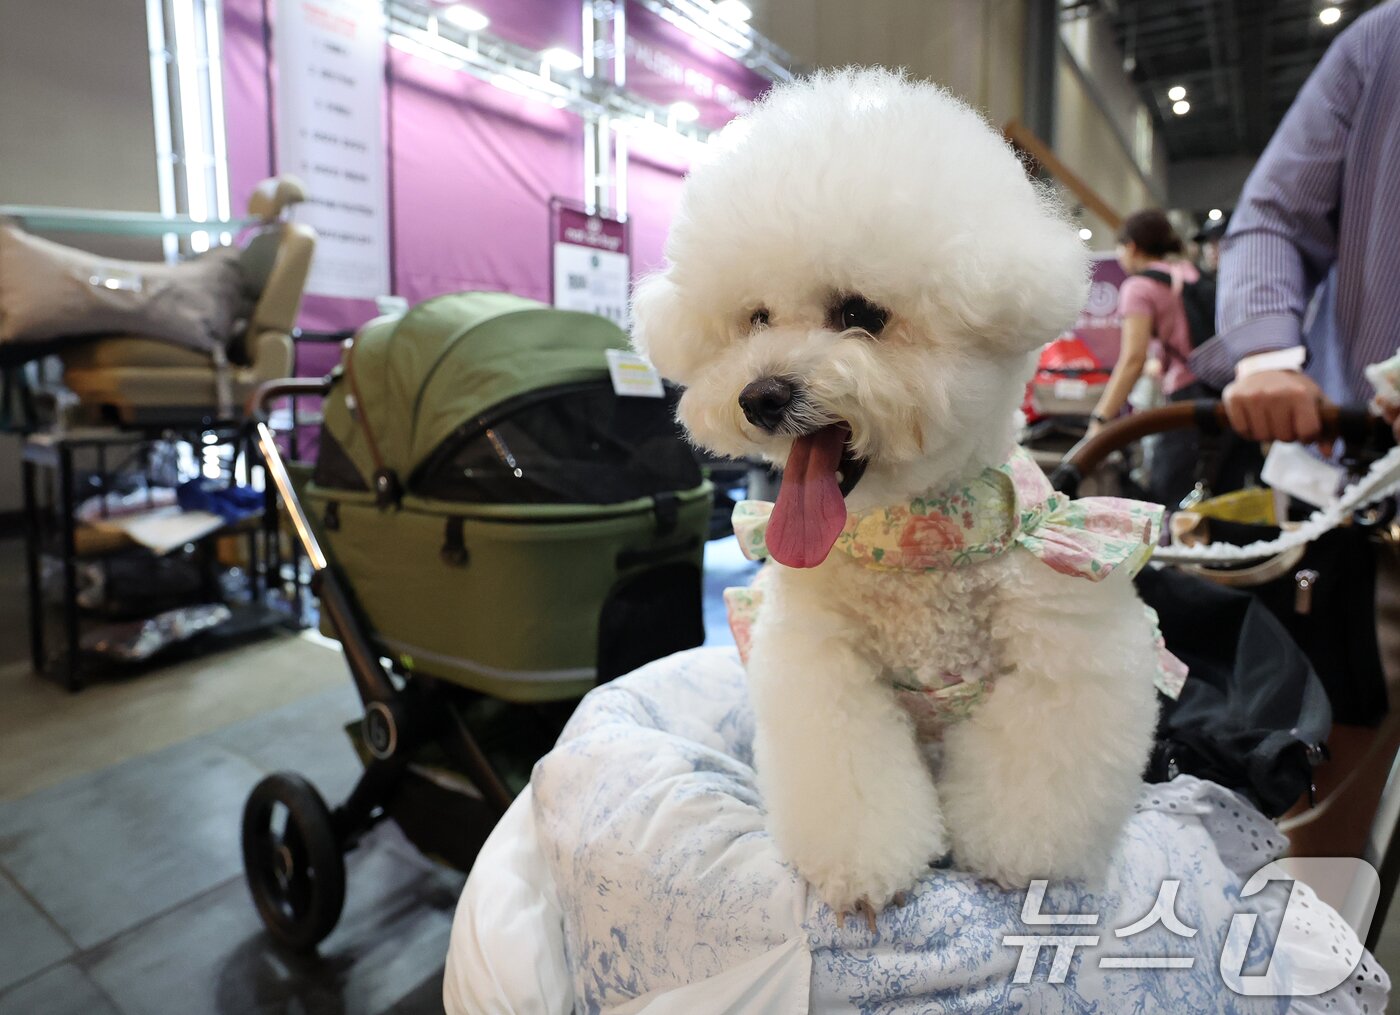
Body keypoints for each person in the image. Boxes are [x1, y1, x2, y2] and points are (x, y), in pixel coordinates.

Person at [1195, 1, 1400, 860]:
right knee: (1342, 757)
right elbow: (1274, 211)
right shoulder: (1386, 40)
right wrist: (1268, 352)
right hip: (1362, 481)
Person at [1088, 210, 1254, 505]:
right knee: (1222, 498)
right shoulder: (1190, 272)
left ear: (1132, 247)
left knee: (1167, 495)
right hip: (1228, 394)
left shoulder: (1138, 287)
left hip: (1186, 402)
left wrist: (1101, 419)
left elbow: (1132, 359)